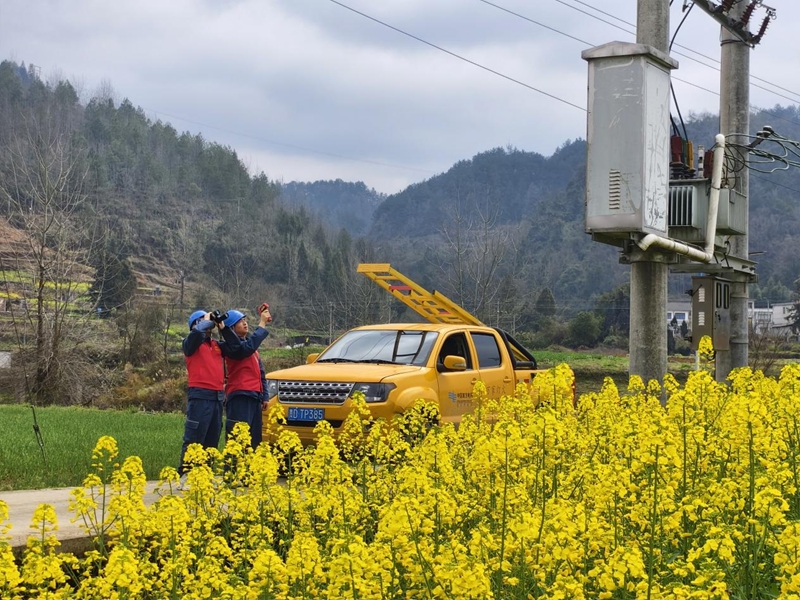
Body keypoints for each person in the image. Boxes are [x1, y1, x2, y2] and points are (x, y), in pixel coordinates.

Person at [179, 310, 251, 474]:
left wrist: (223, 327)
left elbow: (236, 346)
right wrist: (205, 321)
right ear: (196, 324)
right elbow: (197, 333)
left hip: (217, 397)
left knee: (212, 438)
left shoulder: (217, 345)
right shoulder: (190, 344)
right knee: (194, 436)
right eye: (205, 321)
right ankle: (186, 473)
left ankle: (205, 473)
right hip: (200, 395)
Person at [222, 306, 272, 449]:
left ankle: (250, 470)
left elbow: (260, 373)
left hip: (254, 396)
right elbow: (246, 349)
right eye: (240, 321)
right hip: (240, 396)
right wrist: (262, 324)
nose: (245, 323)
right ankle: (233, 470)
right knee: (238, 441)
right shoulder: (232, 347)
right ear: (231, 328)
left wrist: (265, 396)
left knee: (254, 440)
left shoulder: (251, 347)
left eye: (244, 320)